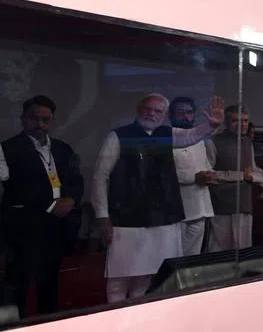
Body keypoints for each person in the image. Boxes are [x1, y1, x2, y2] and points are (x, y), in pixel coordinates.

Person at [93, 94, 223, 302]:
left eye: (157, 111)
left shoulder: (166, 134)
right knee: (119, 280)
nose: (151, 114)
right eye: (148, 109)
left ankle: (140, 316)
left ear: (163, 116)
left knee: (147, 278)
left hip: (161, 218)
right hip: (126, 219)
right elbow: (100, 177)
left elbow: (191, 135)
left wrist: (211, 126)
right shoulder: (118, 136)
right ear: (139, 109)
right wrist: (102, 217)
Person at [1, 95, 84, 316]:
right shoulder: (7, 149)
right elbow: (14, 187)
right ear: (23, 119)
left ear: (52, 121)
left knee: (50, 285)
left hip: (57, 226)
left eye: (45, 120)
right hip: (25, 227)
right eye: (34, 118)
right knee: (18, 284)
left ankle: (48, 325)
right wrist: (50, 205)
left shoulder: (63, 148)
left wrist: (71, 200)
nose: (40, 124)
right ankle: (14, 329)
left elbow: (76, 180)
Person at [206, 105, 262, 252]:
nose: (241, 125)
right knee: (219, 251)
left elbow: (253, 171)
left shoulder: (248, 142)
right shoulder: (213, 141)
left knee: (242, 250)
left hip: (243, 205)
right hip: (221, 205)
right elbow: (208, 174)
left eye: (245, 121)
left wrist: (257, 178)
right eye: (236, 120)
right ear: (226, 122)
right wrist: (240, 175)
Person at [170, 96, 215, 256]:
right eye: (180, 112)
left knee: (193, 258)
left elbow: (206, 165)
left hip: (200, 208)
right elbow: (162, 175)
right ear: (171, 116)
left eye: (189, 112)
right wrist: (193, 178)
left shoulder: (199, 140)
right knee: (174, 256)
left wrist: (209, 175)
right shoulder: (166, 139)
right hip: (177, 212)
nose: (185, 116)